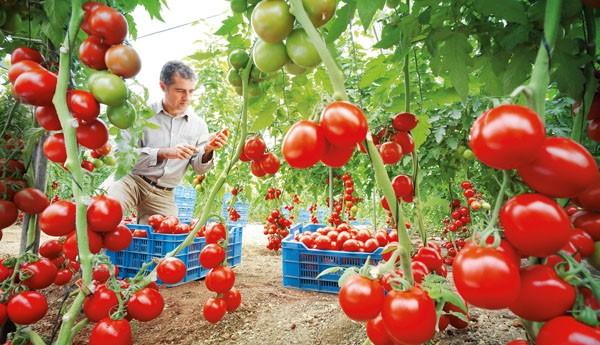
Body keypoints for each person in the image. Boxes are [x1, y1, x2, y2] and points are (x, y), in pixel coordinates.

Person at [103, 60, 229, 224]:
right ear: (163, 86)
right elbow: (121, 155)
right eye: (180, 91)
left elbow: (199, 169)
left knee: (164, 238)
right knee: (106, 214)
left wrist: (207, 150)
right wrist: (163, 153)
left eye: (191, 91)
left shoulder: (198, 125)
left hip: (164, 193)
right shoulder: (141, 115)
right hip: (132, 180)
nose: (187, 98)